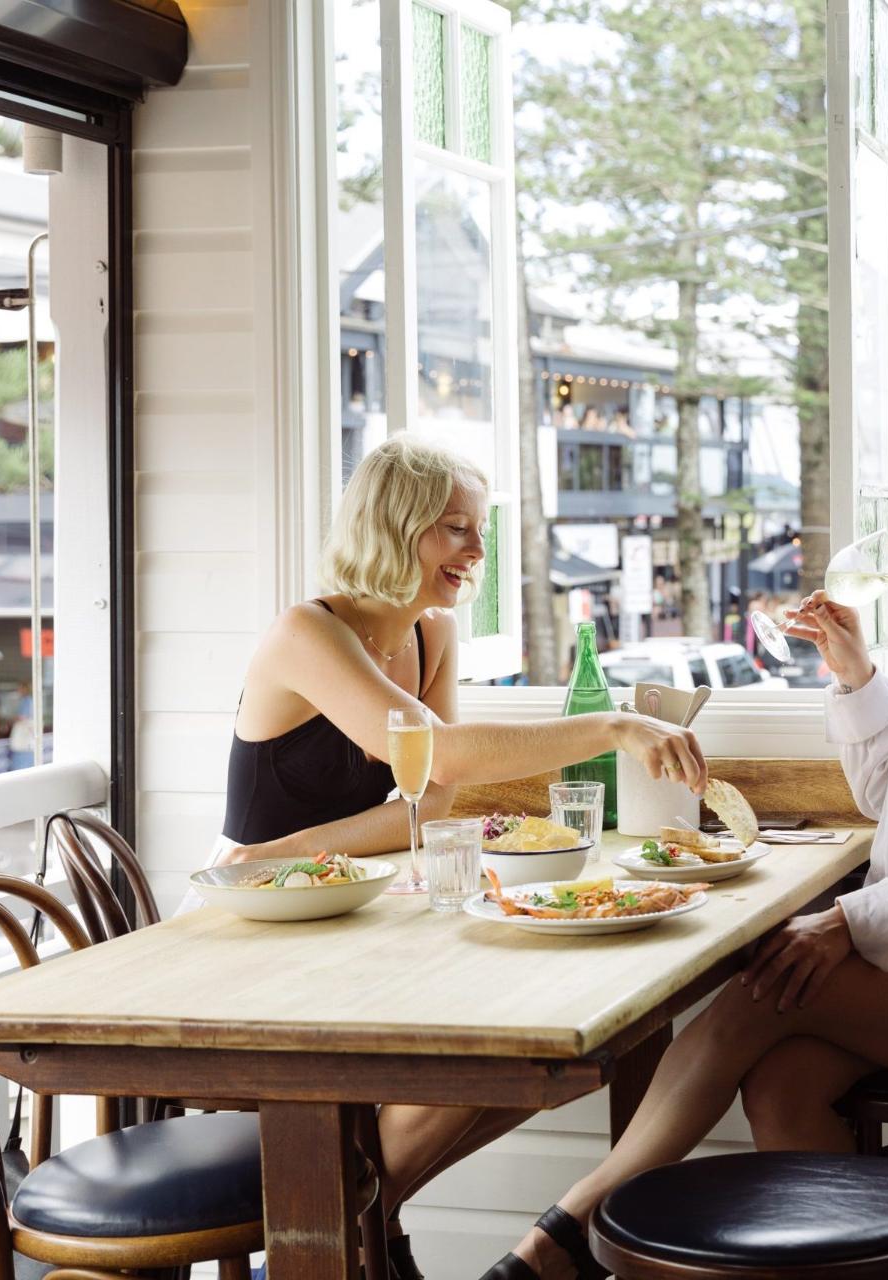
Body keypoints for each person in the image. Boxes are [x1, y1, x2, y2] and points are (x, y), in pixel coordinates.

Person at [481, 385, 888, 1280]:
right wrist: (855, 673)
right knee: (782, 1078)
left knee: (762, 988)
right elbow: (885, 796)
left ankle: (562, 1237)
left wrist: (846, 922)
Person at [209, 435, 706, 1279]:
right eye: (454, 528)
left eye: (478, 529)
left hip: (345, 905)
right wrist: (613, 725)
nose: (477, 550)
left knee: (540, 1050)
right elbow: (440, 756)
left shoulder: (431, 632)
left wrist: (298, 851)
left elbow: (429, 799)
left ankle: (356, 1227)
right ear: (393, 528)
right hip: (251, 925)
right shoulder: (306, 632)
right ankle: (341, 1239)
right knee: (498, 1045)